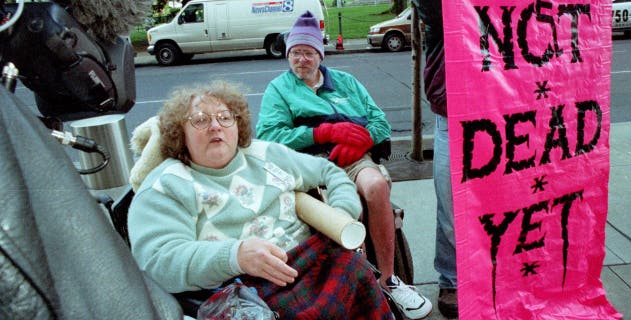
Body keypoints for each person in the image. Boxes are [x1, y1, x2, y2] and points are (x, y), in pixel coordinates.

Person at [127, 80, 393, 319]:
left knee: (353, 265)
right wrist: (236, 256)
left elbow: (330, 172)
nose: (215, 126)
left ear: (237, 124)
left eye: (225, 117)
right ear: (180, 133)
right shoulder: (166, 184)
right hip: (243, 290)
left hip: (312, 263)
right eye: (200, 120)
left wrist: (341, 213)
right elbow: (158, 259)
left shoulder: (265, 154)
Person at [256, 10, 432, 320]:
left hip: (351, 158)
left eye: (308, 53)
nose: (301, 60)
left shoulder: (346, 82)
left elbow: (378, 120)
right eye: (295, 53)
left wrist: (361, 141)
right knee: (345, 205)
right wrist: (320, 132)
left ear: (320, 55)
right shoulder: (278, 90)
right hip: (309, 165)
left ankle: (388, 279)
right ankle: (359, 281)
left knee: (376, 185)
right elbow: (269, 137)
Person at [415, 0, 458, 318]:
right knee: (451, 208)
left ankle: (496, 273)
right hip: (452, 115)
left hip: (500, 110)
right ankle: (452, 281)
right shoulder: (444, 10)